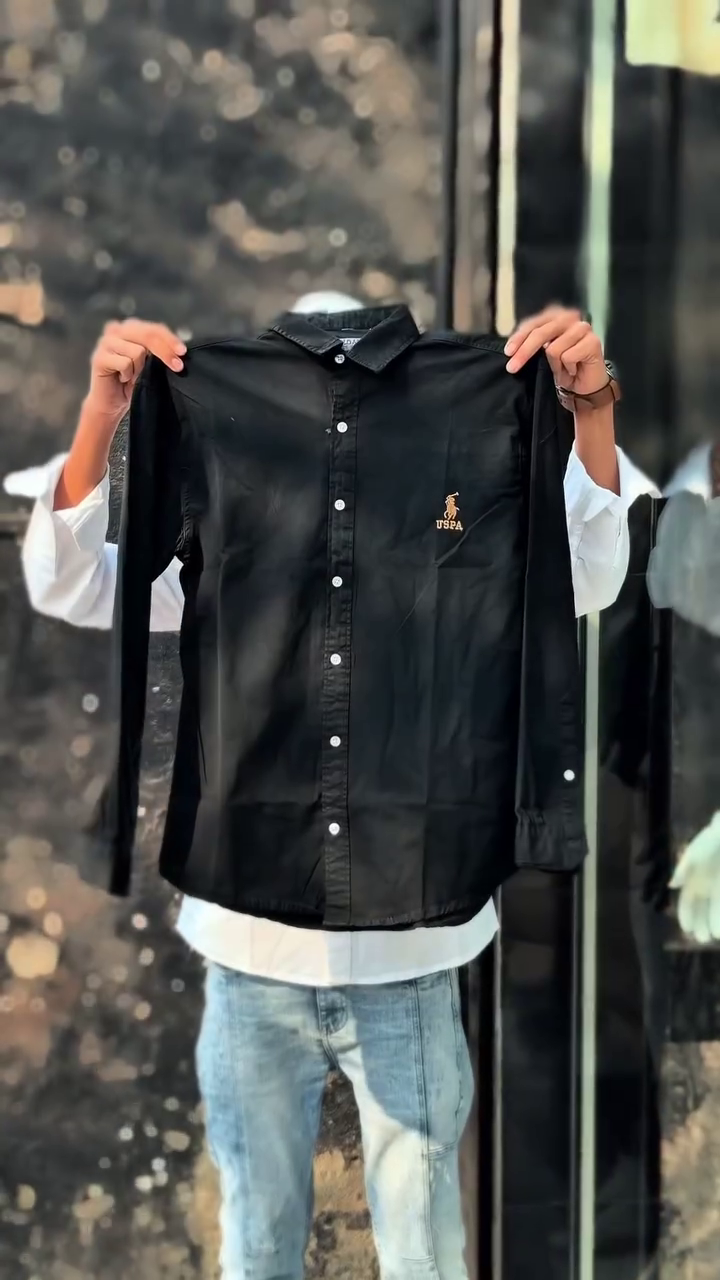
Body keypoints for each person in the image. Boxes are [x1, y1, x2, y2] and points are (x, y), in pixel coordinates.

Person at [8, 294, 633, 1280]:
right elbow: (75, 582)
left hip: (414, 949)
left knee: (424, 1253)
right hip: (249, 949)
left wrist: (590, 408)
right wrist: (103, 414)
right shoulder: (219, 440)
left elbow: (585, 578)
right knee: (258, 1245)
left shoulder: (477, 419)